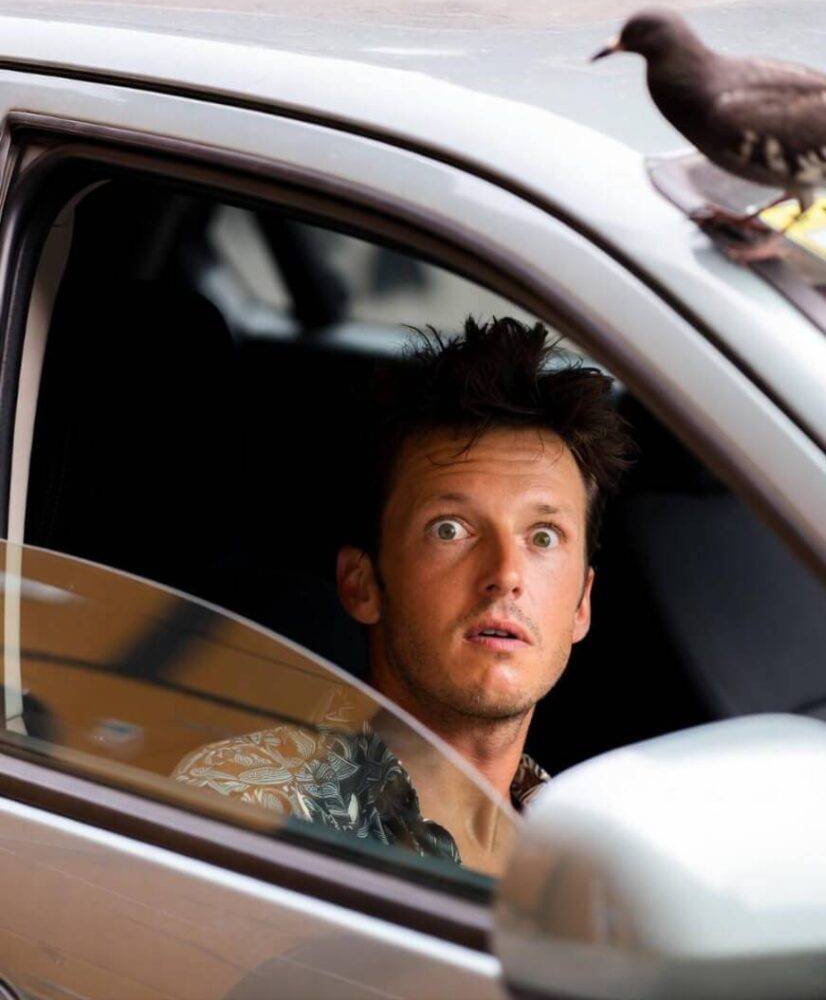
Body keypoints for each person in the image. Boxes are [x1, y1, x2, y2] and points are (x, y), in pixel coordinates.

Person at [174, 317, 632, 874]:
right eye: (450, 529)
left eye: (543, 537)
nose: (506, 574)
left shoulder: (596, 859)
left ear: (582, 604)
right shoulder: (256, 810)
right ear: (362, 585)